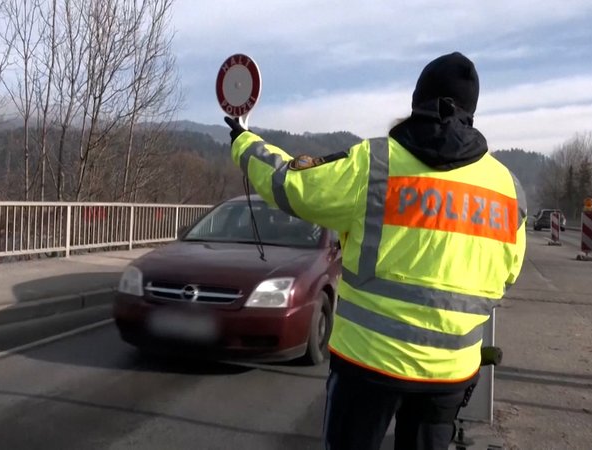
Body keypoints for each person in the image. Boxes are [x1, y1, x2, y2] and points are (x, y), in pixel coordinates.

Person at [224, 51, 527, 450]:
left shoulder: (375, 164)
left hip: (368, 365)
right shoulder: (506, 189)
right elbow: (507, 274)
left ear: (418, 101)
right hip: (449, 373)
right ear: (471, 111)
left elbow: (291, 186)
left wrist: (243, 141)